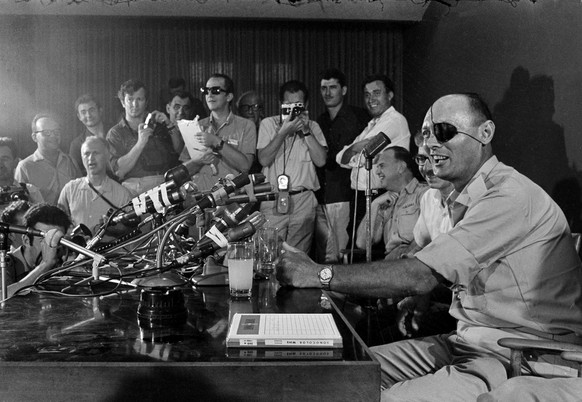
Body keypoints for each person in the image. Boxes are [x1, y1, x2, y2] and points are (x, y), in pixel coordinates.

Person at [276, 93, 582, 401]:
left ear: (485, 133)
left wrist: (318, 274)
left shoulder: (509, 195)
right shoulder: (459, 198)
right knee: (344, 375)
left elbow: (420, 275)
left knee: (382, 396)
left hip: (517, 356)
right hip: (464, 341)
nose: (432, 144)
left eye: (445, 132)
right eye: (426, 134)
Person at [257, 80, 327, 253]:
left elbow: (321, 161)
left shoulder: (313, 126)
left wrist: (305, 130)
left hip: (303, 199)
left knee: (298, 257)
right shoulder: (268, 124)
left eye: (297, 106)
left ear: (306, 105)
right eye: (288, 105)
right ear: (280, 104)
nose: (292, 111)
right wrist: (282, 132)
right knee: (268, 252)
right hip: (272, 197)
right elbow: (264, 159)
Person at [335, 74, 411, 231]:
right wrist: (354, 149)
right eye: (367, 95)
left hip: (381, 195)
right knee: (355, 248)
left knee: (369, 249)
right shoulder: (371, 125)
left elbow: (364, 155)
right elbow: (340, 158)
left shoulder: (395, 120)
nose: (371, 99)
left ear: (390, 95)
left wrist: (353, 152)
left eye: (377, 93)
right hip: (361, 197)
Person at [314, 68, 369, 263]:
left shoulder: (360, 117)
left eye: (333, 87)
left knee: (343, 253)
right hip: (323, 195)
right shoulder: (318, 121)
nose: (327, 93)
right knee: (326, 252)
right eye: (323, 88)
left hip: (346, 193)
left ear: (344, 90)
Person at [180, 73, 256, 192]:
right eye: (206, 90)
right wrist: (198, 161)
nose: (209, 95)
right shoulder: (197, 126)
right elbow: (183, 171)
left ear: (229, 96)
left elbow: (245, 166)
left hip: (231, 199)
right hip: (200, 198)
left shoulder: (246, 126)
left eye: (215, 90)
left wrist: (216, 141)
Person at [107, 79, 181, 196]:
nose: (134, 104)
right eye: (130, 99)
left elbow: (179, 150)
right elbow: (118, 171)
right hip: (134, 191)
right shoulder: (116, 133)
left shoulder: (158, 124)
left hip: (165, 185)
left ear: (146, 102)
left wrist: (169, 124)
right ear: (122, 102)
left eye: (139, 99)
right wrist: (140, 143)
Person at [355, 146, 427, 261]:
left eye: (382, 166)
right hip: (390, 264)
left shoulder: (424, 194)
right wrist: (374, 205)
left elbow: (430, 235)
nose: (377, 172)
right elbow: (362, 243)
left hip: (413, 261)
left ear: (401, 167)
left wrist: (405, 254)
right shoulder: (384, 202)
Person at [58, 136, 132, 236]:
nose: (91, 158)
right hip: (78, 250)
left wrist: (116, 229)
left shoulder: (122, 194)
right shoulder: (69, 190)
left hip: (110, 250)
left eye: (96, 153)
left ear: (107, 156)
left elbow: (132, 230)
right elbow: (58, 225)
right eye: (86, 154)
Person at [2, 203, 69, 299]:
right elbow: (2, 299)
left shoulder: (60, 263)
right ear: (26, 240)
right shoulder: (5, 266)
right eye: (44, 240)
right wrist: (44, 265)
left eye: (58, 240)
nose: (53, 247)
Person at [15, 113, 80, 205]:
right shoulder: (25, 167)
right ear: (34, 137)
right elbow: (19, 206)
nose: (53, 136)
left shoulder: (70, 161)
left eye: (56, 132)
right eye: (46, 132)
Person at [0, 137, 43, 212]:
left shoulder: (31, 192)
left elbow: (44, 220)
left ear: (15, 162)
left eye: (5, 159)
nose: (0, 164)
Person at [69, 94, 109, 175]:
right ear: (79, 116)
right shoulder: (76, 144)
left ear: (100, 111)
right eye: (83, 112)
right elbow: (77, 174)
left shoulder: (115, 132)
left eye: (92, 110)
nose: (88, 115)